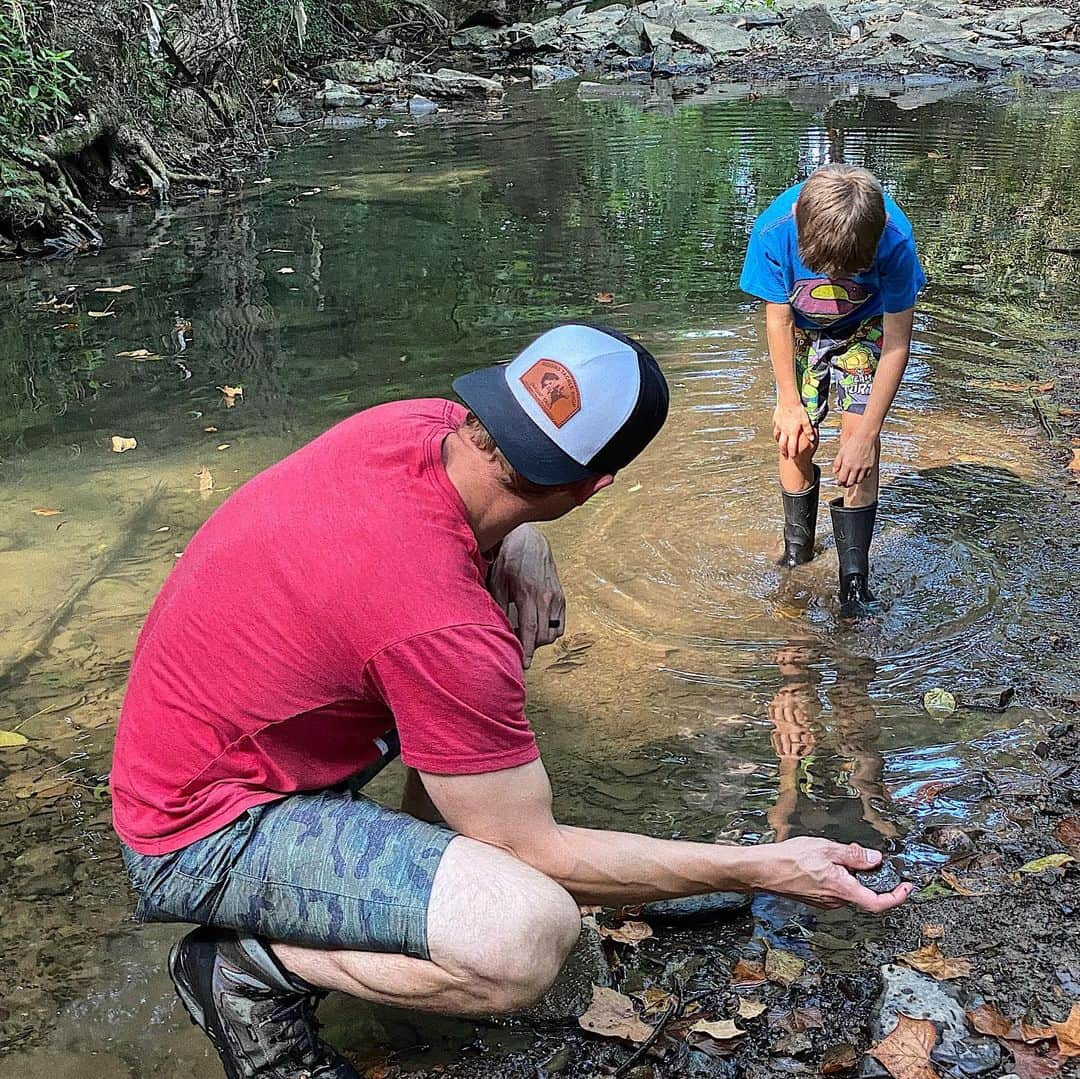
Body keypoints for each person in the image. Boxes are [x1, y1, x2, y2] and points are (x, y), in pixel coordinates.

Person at [110, 324, 912, 1079]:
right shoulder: (445, 623)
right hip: (198, 829)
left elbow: (479, 514)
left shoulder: (418, 425)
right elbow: (539, 851)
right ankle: (247, 969)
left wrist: (520, 539)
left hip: (214, 752)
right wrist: (764, 865)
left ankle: (396, 889)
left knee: (491, 734)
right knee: (527, 932)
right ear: (594, 486)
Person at [739, 164, 926, 616]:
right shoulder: (775, 230)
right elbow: (779, 318)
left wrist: (866, 436)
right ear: (801, 219)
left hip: (868, 326)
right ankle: (796, 552)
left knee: (860, 442)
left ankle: (854, 579)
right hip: (801, 327)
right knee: (795, 438)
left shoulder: (895, 241)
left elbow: (898, 344)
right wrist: (787, 402)